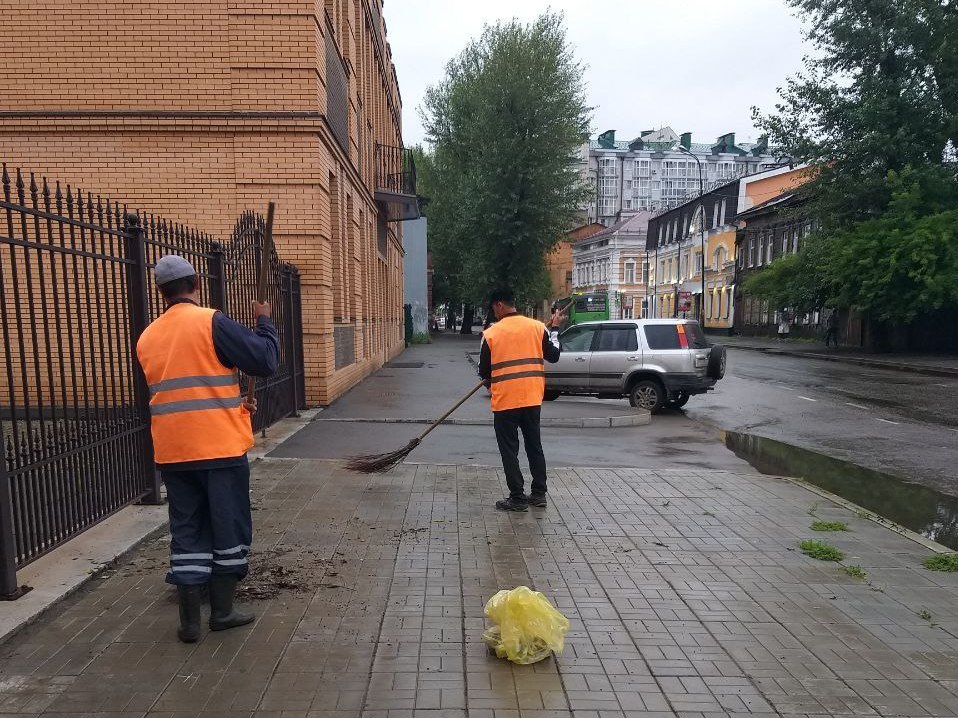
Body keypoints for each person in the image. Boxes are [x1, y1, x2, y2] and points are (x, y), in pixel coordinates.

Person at [136, 255, 279, 643]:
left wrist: (236, 402)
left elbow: (186, 385)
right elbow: (265, 360)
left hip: (173, 451)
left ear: (160, 292)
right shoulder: (210, 321)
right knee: (227, 525)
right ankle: (222, 612)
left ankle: (188, 624)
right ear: (196, 283)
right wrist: (264, 321)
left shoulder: (147, 337)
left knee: (187, 529)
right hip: (217, 449)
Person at [478, 288, 564, 511]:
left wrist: (491, 382)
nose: (494, 313)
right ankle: (538, 494)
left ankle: (517, 497)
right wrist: (555, 328)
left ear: (499, 305)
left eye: (493, 309)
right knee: (534, 446)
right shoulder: (537, 328)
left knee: (509, 450)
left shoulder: (491, 334)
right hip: (532, 397)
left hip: (505, 400)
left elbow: (483, 371)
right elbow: (554, 355)